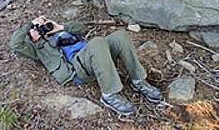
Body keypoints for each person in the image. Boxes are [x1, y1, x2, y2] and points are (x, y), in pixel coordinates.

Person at [10, 15, 163, 115]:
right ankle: (109, 94)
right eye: (36, 30)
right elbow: (15, 43)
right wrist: (30, 25)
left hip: (96, 54)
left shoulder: (60, 33)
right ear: (31, 37)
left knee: (119, 36)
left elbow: (82, 29)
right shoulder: (37, 48)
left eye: (41, 26)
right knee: (97, 42)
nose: (40, 29)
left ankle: (138, 81)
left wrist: (60, 28)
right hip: (78, 68)